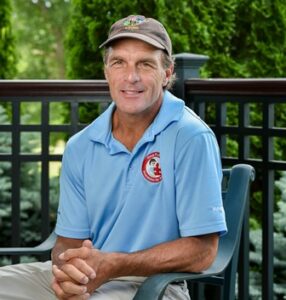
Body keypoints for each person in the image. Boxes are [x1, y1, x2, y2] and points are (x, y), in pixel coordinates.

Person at [0, 15, 227, 300]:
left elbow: (203, 251)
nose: (130, 77)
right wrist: (69, 274)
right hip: (91, 277)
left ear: (167, 73)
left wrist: (113, 264)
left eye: (145, 64)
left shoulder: (191, 137)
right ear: (107, 71)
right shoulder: (81, 146)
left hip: (154, 285)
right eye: (119, 63)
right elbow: (68, 243)